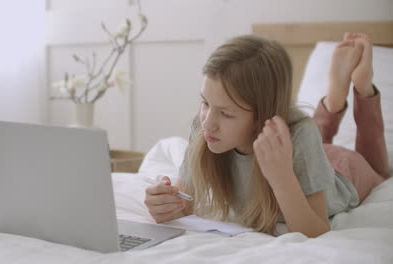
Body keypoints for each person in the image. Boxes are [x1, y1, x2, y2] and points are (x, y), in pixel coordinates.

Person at [143, 33, 389, 238]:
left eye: (226, 114)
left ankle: (361, 89)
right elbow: (185, 204)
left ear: (261, 115)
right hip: (293, 147)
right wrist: (166, 204)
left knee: (379, 170)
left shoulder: (301, 135)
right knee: (304, 136)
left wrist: (281, 177)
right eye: (205, 102)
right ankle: (332, 102)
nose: (208, 123)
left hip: (342, 168)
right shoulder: (206, 126)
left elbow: (316, 233)